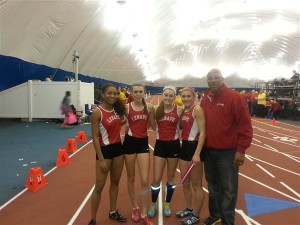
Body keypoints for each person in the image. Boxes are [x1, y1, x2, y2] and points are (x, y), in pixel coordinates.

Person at [200, 69, 253, 225]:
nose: (213, 81)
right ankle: (215, 215)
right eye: (210, 78)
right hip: (209, 151)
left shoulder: (234, 97)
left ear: (222, 79)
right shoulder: (205, 98)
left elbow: (245, 125)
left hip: (228, 153)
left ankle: (227, 221)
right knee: (212, 186)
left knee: (228, 189)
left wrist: (241, 150)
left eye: (216, 78)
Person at [88, 84, 127, 225]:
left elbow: (116, 125)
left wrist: (127, 121)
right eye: (109, 93)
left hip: (118, 149)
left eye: (115, 93)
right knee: (99, 186)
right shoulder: (97, 112)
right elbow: (94, 137)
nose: (113, 96)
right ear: (103, 95)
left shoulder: (118, 110)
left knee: (115, 182)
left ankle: (112, 212)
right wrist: (102, 159)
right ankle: (92, 219)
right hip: (104, 151)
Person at [148, 86, 184, 218]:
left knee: (171, 178)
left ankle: (167, 203)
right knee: (156, 178)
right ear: (162, 95)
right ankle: (153, 203)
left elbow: (182, 126)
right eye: (166, 95)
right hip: (160, 145)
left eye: (171, 95)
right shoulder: (157, 109)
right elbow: (152, 126)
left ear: (174, 97)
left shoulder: (179, 110)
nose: (168, 97)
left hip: (174, 146)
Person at [123, 84, 156, 225]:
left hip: (143, 143)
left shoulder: (149, 107)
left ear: (144, 92)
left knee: (144, 180)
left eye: (140, 91)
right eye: (135, 92)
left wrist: (152, 115)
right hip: (129, 143)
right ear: (131, 93)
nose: (138, 94)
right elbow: (121, 121)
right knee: (131, 178)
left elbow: (153, 126)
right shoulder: (126, 107)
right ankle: (135, 207)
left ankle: (144, 212)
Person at [176, 87, 206, 225]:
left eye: (189, 96)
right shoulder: (184, 110)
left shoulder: (197, 109)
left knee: (196, 185)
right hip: (184, 147)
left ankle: (195, 215)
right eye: (184, 96)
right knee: (185, 182)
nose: (186, 98)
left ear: (193, 97)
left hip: (194, 148)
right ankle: (189, 208)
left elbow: (203, 132)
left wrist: (197, 153)